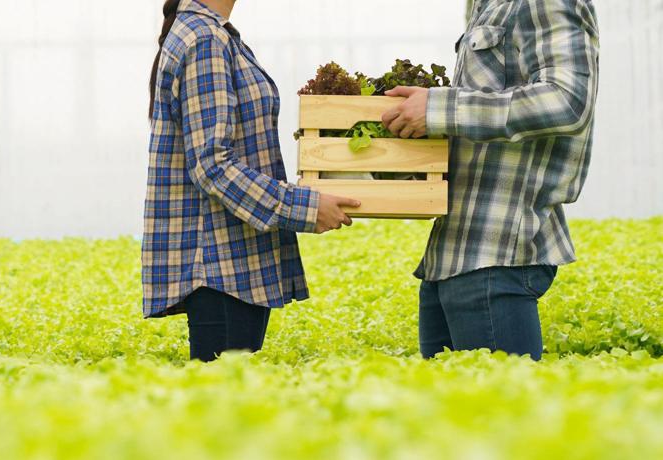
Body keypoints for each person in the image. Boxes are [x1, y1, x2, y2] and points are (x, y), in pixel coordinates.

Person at [142, 0, 361, 362]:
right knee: (221, 407)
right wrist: (304, 207)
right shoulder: (204, 39)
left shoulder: (215, 34)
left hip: (235, 264)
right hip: (219, 267)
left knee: (228, 403)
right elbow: (211, 164)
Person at [381, 0, 600, 361]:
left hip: (496, 251)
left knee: (505, 413)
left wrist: (439, 109)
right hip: (451, 254)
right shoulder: (486, 5)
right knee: (451, 414)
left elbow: (567, 101)